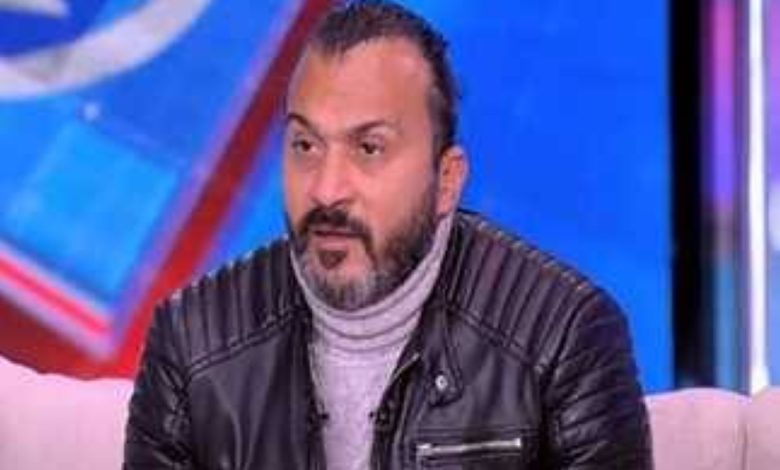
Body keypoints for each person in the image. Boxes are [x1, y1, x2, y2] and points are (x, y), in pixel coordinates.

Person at [124, 1, 652, 468]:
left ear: (447, 181)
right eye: (306, 145)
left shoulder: (564, 338)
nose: (326, 190)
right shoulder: (191, 340)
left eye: (369, 148)